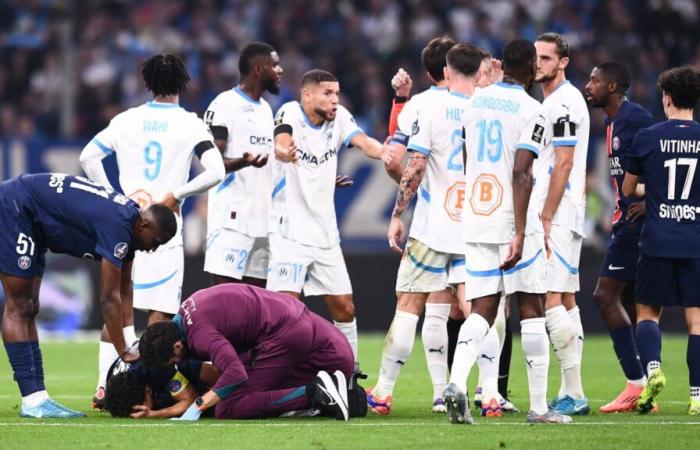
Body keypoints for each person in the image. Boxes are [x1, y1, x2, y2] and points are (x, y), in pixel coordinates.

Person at [79, 53, 225, 409]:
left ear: (147, 83)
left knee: (119, 307)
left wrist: (116, 197)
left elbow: (87, 158)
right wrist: (177, 194)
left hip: (126, 228)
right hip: (163, 233)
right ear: (181, 82)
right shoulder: (190, 123)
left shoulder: (126, 120)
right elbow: (216, 171)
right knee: (158, 319)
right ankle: (151, 388)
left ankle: (105, 387)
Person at [444, 39, 570, 425]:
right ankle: (538, 408)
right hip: (512, 219)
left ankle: (456, 383)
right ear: (532, 66)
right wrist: (518, 231)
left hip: (477, 213)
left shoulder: (475, 102)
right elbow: (521, 173)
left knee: (482, 306)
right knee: (531, 307)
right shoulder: (533, 110)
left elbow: (466, 156)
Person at [367, 43, 494, 417]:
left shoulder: (427, 105)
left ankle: (384, 392)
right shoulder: (489, 106)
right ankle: (487, 394)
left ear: (447, 70)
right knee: (478, 307)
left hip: (434, 224)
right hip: (478, 223)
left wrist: (397, 213)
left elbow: (413, 163)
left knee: (409, 303)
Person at [0, 172, 177, 418]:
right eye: (156, 241)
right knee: (19, 305)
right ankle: (32, 400)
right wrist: (124, 351)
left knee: (30, 307)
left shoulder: (131, 225)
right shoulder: (119, 226)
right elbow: (108, 298)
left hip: (34, 219)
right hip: (17, 207)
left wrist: (129, 341)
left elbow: (125, 289)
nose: (154, 248)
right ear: (144, 225)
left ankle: (39, 397)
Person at [268, 69, 385, 361]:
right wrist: (284, 152)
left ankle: (350, 373)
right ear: (307, 95)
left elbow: (365, 143)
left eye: (336, 93)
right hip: (289, 232)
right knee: (284, 311)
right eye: (328, 94)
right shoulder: (290, 112)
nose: (335, 100)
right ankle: (275, 374)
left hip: (325, 233)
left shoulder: (340, 117)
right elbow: (281, 141)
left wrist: (387, 153)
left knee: (345, 307)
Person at [138, 284, 355, 420]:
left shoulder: (200, 335)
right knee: (240, 387)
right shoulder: (185, 312)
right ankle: (347, 395)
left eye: (172, 361)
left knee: (228, 406)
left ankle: (316, 395)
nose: (176, 364)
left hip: (286, 335)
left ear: (177, 346)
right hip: (299, 325)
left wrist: (200, 404)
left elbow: (235, 373)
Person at [622, 65, 700, 416]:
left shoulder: (649, 137)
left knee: (647, 313)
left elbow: (627, 189)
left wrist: (651, 193)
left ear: (666, 98)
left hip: (656, 239)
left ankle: (653, 371)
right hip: (695, 241)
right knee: (697, 322)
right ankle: (697, 396)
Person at [584, 62, 656, 413]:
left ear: (612, 86)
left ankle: (635, 384)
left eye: (595, 81)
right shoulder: (612, 122)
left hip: (635, 227)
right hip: (624, 223)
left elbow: (666, 160)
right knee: (628, 302)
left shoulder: (637, 120)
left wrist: (649, 202)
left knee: (604, 296)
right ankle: (645, 390)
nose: (588, 85)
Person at [533, 32, 591, 415]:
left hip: (559, 212)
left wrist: (548, 212)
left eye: (546, 58)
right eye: (536, 57)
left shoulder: (565, 102)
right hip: (565, 211)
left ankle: (575, 392)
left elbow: (565, 162)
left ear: (564, 62)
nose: (538, 63)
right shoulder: (554, 101)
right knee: (566, 300)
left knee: (548, 298)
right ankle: (573, 389)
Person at [203, 42, 282, 288]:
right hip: (232, 218)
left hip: (263, 219)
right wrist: (242, 162)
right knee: (225, 297)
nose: (280, 70)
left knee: (256, 302)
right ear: (258, 69)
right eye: (275, 64)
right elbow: (211, 162)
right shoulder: (223, 105)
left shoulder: (267, 109)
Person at [104, 357, 219, 419]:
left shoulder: (156, 367)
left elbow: (190, 400)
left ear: (147, 390)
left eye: (139, 408)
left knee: (216, 406)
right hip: (153, 371)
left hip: (183, 358)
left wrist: (155, 414)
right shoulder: (114, 388)